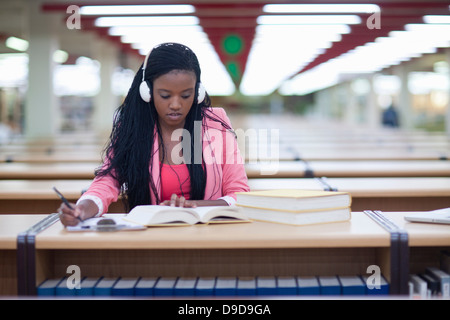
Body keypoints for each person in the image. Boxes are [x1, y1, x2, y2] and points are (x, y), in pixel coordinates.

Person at [59, 42, 250, 226]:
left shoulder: (215, 126)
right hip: (149, 237)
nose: (176, 104)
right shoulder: (134, 128)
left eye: (186, 95)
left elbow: (239, 193)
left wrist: (193, 207)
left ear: (197, 92)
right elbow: (107, 181)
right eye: (165, 95)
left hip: (209, 238)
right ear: (147, 92)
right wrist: (82, 209)